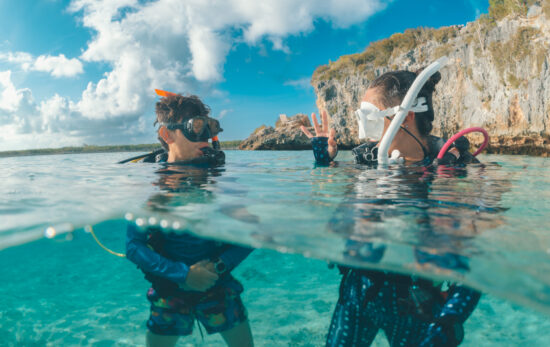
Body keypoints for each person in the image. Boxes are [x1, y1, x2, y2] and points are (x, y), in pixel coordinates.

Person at [301, 69, 481, 347]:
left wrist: (450, 319)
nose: (363, 131)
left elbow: (477, 252)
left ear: (406, 115)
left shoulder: (453, 171)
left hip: (414, 303)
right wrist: (323, 163)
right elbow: (327, 204)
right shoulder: (366, 161)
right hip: (357, 291)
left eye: (370, 117)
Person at [126, 93, 254, 347]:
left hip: (217, 281)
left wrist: (218, 266)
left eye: (208, 130)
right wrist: (183, 275)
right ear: (167, 135)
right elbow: (134, 246)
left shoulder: (219, 181)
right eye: (195, 128)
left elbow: (253, 232)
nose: (204, 138)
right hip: (169, 286)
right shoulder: (149, 187)